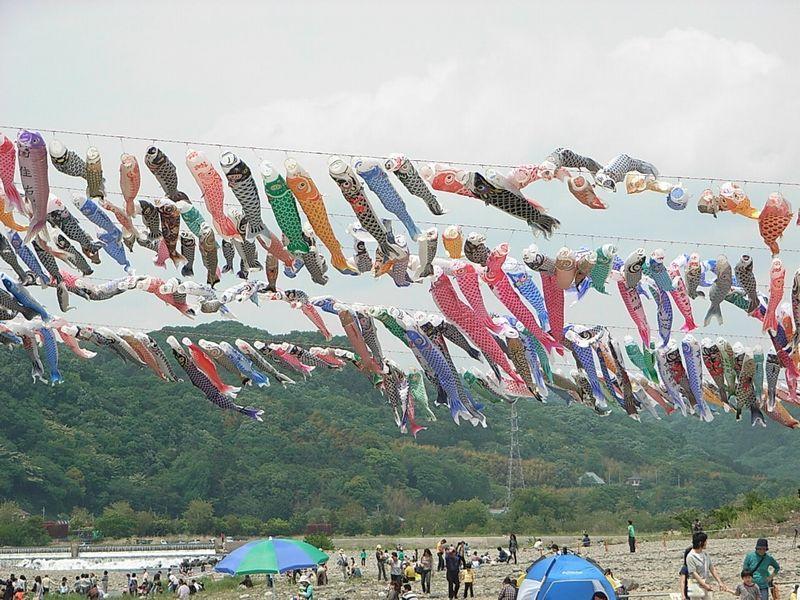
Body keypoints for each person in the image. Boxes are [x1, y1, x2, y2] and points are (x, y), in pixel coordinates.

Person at [686, 532, 729, 598]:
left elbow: (712, 568)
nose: (706, 543)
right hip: (695, 586)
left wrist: (720, 582)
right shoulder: (690, 556)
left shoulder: (705, 554)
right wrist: (704, 585)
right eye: (705, 541)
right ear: (701, 543)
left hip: (706, 583)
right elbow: (693, 573)